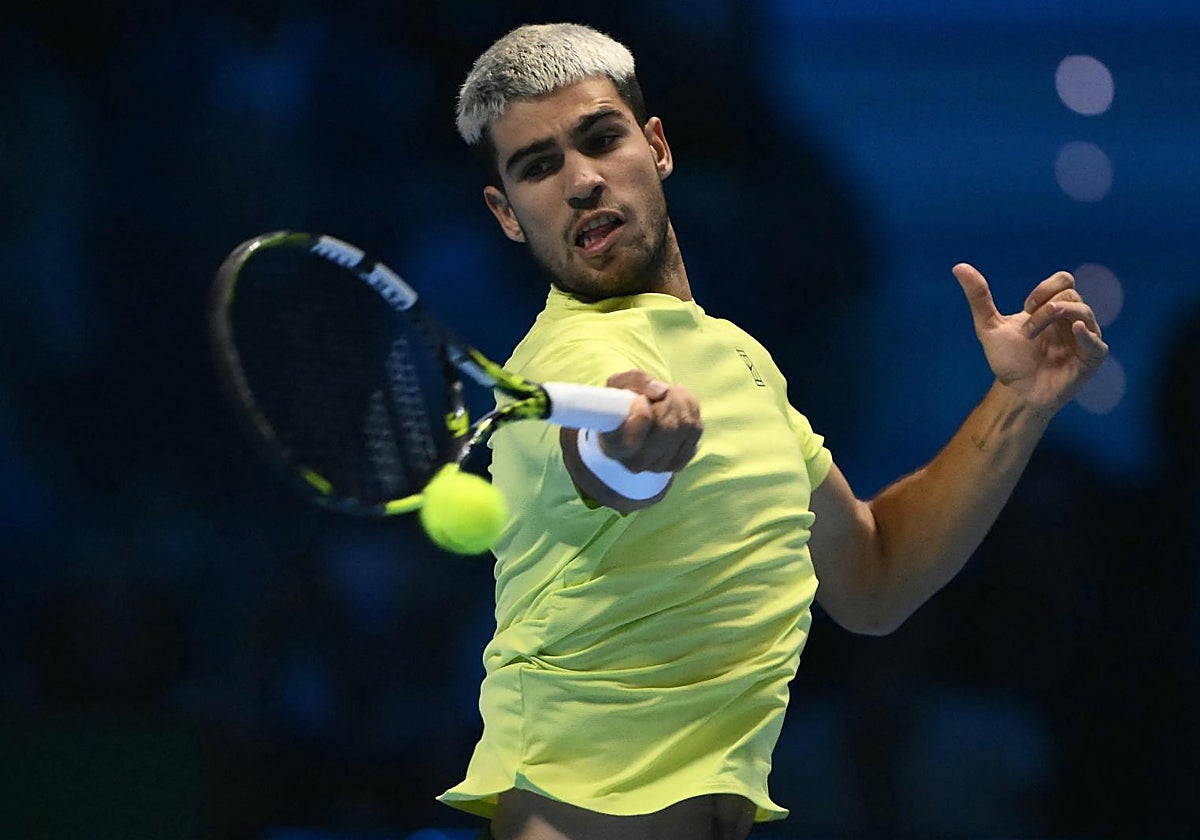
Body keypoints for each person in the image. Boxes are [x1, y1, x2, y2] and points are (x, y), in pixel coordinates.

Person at [436, 23, 1108, 840]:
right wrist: (635, 452)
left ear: (658, 148)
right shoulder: (566, 364)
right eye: (539, 167)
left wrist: (1020, 401)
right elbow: (601, 453)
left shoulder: (738, 358)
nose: (581, 181)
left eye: (602, 139)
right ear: (507, 216)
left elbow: (873, 578)